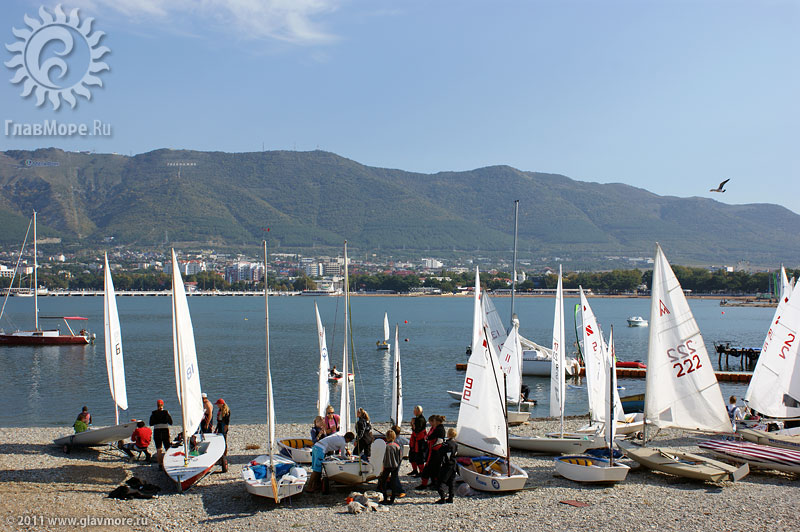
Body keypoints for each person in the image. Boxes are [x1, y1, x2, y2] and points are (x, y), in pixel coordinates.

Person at [417, 415, 446, 490]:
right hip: (434, 451)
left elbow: (429, 437)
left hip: (436, 452)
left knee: (429, 469)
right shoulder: (437, 428)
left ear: (436, 421)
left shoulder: (439, 429)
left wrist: (427, 438)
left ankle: (425, 484)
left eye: (432, 422)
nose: (431, 424)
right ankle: (433, 483)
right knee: (434, 469)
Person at [378, 430, 403, 505]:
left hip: (386, 466)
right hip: (395, 466)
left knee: (383, 482)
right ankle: (392, 498)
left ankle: (385, 497)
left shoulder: (385, 446)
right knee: (393, 482)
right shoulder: (397, 446)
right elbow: (400, 457)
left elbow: (381, 457)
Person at [434, 428, 458, 504]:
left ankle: (442, 497)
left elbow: (440, 453)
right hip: (454, 465)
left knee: (439, 482)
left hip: (446, 465)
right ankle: (451, 498)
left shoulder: (446, 444)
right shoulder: (456, 444)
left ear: (448, 434)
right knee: (451, 482)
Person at [149, 399, 173, 470]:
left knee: (159, 448)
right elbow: (170, 422)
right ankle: (169, 462)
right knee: (167, 446)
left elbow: (151, 423)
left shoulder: (153, 413)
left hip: (157, 430)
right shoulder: (166, 412)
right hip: (164, 429)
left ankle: (160, 464)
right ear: (163, 405)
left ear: (157, 405)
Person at [408, 405, 427, 477]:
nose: (413, 411)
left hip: (419, 441)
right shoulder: (417, 419)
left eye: (414, 410)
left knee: (419, 457)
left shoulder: (421, 420)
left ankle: (421, 472)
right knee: (412, 455)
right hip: (415, 439)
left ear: (418, 411)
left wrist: (413, 424)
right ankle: (415, 470)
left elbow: (417, 430)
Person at [215, 398, 231, 472]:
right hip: (220, 424)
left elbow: (227, 421)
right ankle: (221, 453)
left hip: (224, 425)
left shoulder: (226, 410)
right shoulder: (220, 410)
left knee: (224, 439)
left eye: (218, 404)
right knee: (219, 439)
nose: (217, 406)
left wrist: (226, 427)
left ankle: (224, 454)